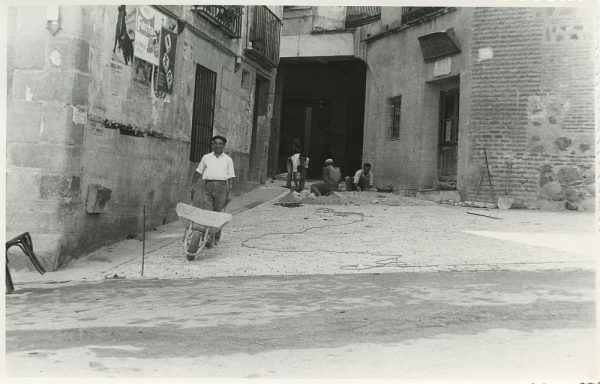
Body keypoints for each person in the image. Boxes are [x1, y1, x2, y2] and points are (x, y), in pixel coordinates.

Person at [190, 135, 235, 247]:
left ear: (224, 145)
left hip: (222, 187)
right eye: (215, 143)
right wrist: (193, 184)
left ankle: (216, 237)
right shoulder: (206, 157)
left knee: (218, 213)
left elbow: (231, 177)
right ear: (213, 144)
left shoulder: (228, 160)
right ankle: (208, 238)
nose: (217, 145)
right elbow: (198, 171)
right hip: (207, 186)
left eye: (220, 144)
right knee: (207, 212)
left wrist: (229, 192)